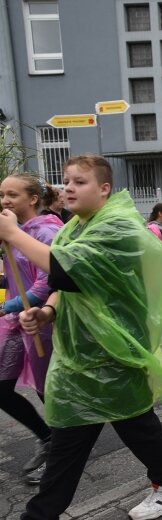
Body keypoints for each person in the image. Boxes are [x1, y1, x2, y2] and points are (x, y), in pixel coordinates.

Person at [0, 154, 162, 520]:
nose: (68, 188)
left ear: (104, 188)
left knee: (133, 424)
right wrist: (48, 311)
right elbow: (71, 284)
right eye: (66, 181)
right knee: (98, 432)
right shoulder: (75, 227)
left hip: (114, 350)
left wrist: (12, 233)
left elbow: (65, 269)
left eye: (80, 182)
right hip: (81, 357)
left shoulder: (118, 227)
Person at [0, 174, 62, 485]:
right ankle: (48, 437)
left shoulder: (47, 230)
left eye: (12, 194)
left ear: (33, 199)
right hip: (15, 322)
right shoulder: (13, 232)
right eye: (1, 195)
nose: (5, 201)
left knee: (46, 389)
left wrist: (8, 306)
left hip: (41, 321)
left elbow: (50, 280)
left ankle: (61, 454)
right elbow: (11, 275)